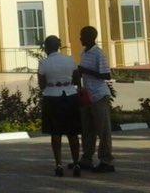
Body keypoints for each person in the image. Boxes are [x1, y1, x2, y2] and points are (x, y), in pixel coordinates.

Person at [37, 35, 82, 177]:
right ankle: (76, 163)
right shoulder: (70, 60)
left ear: (46, 47)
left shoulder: (43, 63)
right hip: (70, 95)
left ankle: (58, 164)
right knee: (73, 132)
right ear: (59, 46)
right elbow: (76, 78)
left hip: (52, 97)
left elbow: (41, 83)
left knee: (55, 133)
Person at [76, 25, 115, 173]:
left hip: (99, 95)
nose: (80, 39)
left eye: (82, 36)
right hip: (87, 95)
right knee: (87, 130)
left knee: (103, 130)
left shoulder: (98, 53)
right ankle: (86, 158)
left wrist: (85, 71)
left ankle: (106, 160)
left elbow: (106, 75)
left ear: (90, 38)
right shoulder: (84, 53)